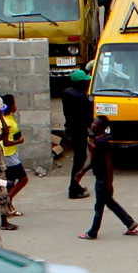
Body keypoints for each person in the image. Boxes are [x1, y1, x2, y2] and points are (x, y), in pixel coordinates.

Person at [79, 113, 138, 238]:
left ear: (101, 127)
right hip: (101, 177)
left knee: (99, 206)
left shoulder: (102, 143)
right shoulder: (98, 140)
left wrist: (109, 182)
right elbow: (93, 160)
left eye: (95, 124)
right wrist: (82, 172)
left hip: (103, 179)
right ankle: (130, 223)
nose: (92, 125)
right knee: (109, 202)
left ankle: (93, 232)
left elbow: (108, 164)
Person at [57, 67, 91, 196]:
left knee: (79, 158)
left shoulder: (67, 93)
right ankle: (74, 187)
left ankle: (75, 185)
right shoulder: (80, 97)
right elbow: (88, 115)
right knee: (80, 159)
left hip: (71, 129)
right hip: (79, 130)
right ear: (80, 83)